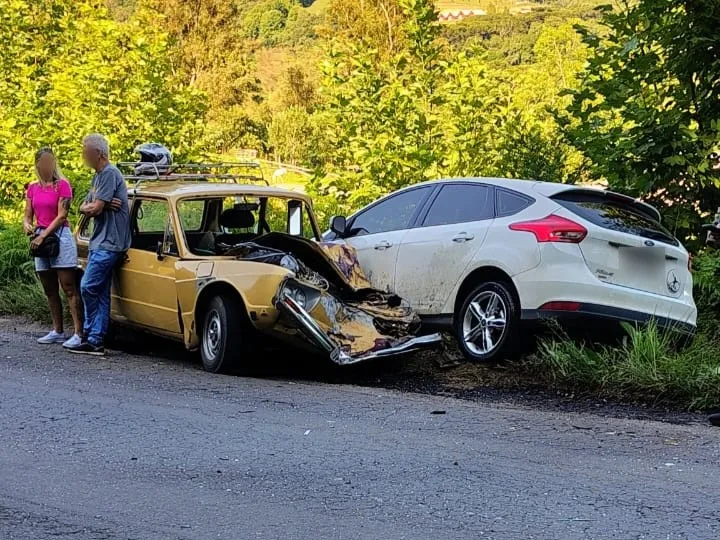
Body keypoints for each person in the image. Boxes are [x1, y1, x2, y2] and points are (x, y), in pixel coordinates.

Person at [65, 134, 130, 356]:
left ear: (97, 154)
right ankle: (95, 339)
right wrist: (95, 204)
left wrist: (95, 205)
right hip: (99, 241)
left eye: (85, 152)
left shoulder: (110, 174)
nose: (83, 156)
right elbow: (84, 206)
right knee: (100, 291)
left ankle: (90, 332)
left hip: (109, 244)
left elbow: (93, 209)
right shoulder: (98, 177)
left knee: (88, 286)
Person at [23, 147, 83, 347]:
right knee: (49, 288)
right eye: (45, 161)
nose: (49, 165)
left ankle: (78, 332)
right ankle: (57, 330)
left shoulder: (62, 185)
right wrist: (27, 225)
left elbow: (62, 216)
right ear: (38, 164)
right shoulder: (32, 188)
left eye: (52, 161)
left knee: (68, 286)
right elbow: (28, 214)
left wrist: (43, 236)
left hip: (58, 235)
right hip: (40, 235)